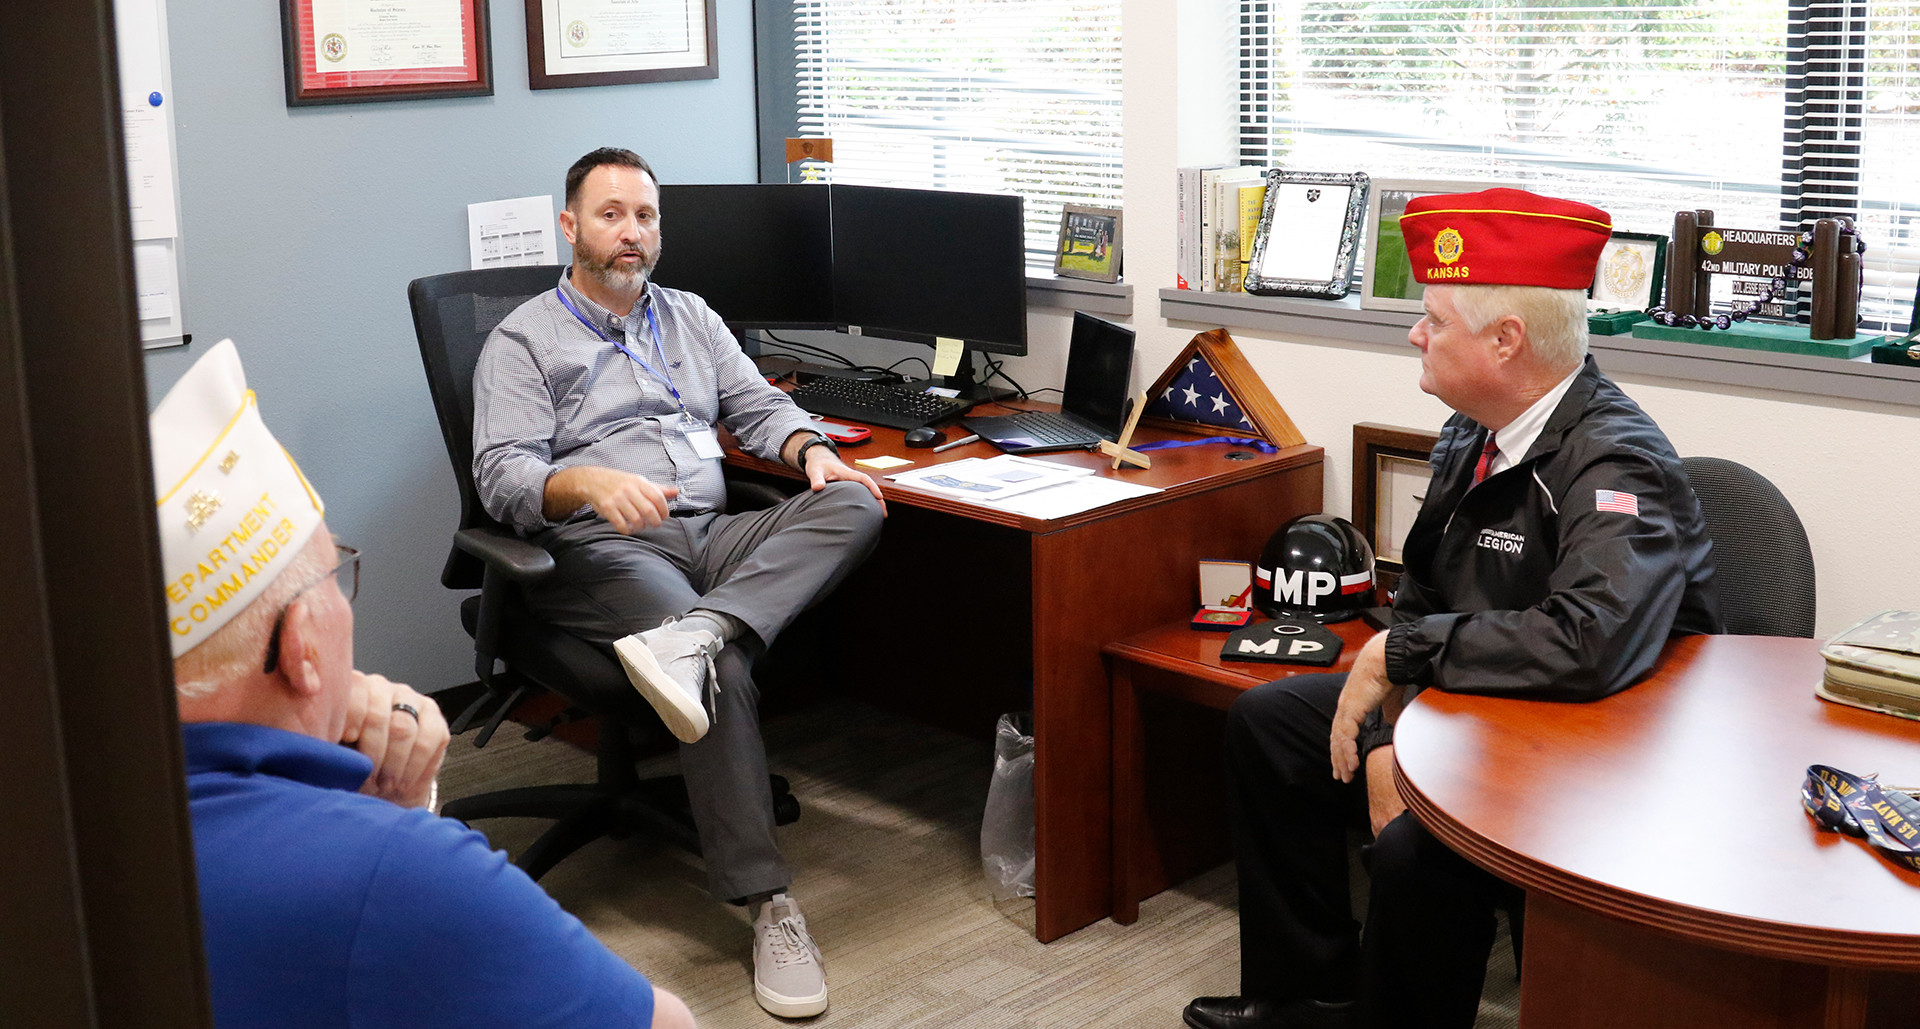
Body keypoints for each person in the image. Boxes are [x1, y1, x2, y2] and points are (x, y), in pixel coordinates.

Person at [1183, 188, 1722, 1029]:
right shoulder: (1472, 430)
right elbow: (1422, 602)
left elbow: (1590, 642)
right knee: (1271, 721)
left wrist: (1402, 666)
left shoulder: (1616, 460)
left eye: (1435, 319)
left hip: (1590, 735)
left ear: (1507, 341)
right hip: (1480, 697)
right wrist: (1385, 736)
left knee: (1414, 847)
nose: (1415, 333)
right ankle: (1307, 991)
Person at [153, 340, 694, 1029]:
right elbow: (665, 1023)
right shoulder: (401, 877)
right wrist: (398, 825)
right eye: (337, 574)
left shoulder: (64, 827)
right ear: (302, 647)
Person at [470, 147, 887, 1017]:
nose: (632, 233)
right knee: (722, 671)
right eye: (612, 214)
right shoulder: (523, 340)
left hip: (713, 532)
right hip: (602, 550)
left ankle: (702, 628)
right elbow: (503, 477)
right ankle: (769, 902)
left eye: (646, 216)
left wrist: (811, 451)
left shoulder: (691, 315)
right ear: (571, 226)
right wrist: (584, 481)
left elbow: (761, 406)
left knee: (857, 505)